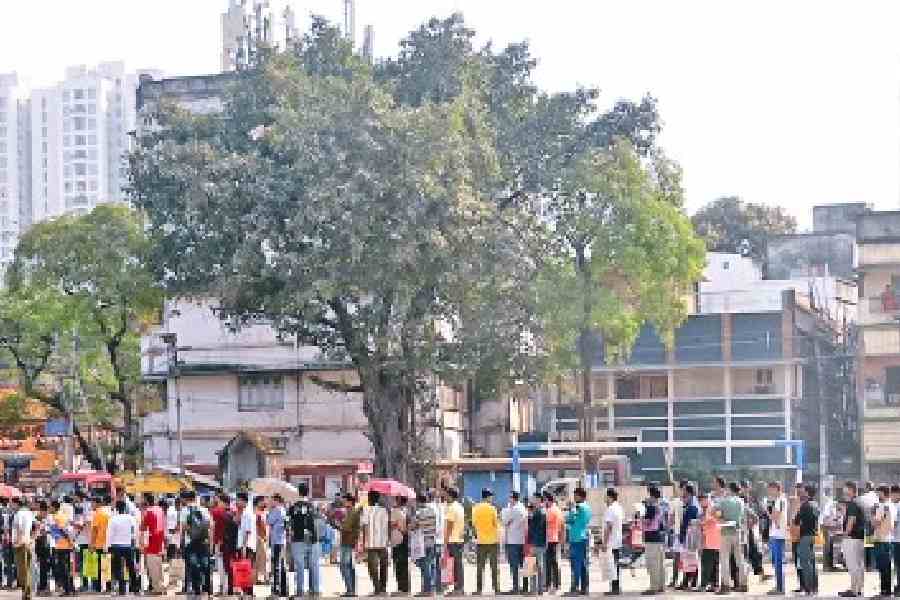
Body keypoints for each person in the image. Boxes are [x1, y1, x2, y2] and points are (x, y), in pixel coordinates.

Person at [288, 483, 320, 597]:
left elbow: (288, 522)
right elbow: (318, 520)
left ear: (298, 493)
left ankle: (300, 590)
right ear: (308, 492)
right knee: (314, 565)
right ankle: (315, 589)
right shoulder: (314, 506)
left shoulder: (293, 507)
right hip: (313, 538)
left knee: (300, 566)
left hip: (298, 538)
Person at [716, 481, 746, 595]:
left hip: (725, 532)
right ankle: (743, 584)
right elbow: (742, 517)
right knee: (740, 559)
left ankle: (726, 586)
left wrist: (721, 519)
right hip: (737, 531)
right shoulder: (741, 501)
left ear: (729, 489)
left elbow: (714, 511)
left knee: (724, 559)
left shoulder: (724, 501)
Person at [181, 490, 211, 599]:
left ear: (185, 499)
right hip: (203, 541)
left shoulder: (185, 511)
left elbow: (183, 528)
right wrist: (210, 543)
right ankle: (207, 589)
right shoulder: (204, 510)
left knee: (192, 565)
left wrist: (181, 542)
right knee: (205, 564)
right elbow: (209, 526)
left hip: (190, 542)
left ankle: (196, 589)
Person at [471, 488, 500, 596]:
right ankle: (496, 589)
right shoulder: (492, 509)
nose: (492, 498)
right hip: (492, 541)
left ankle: (479, 589)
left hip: (481, 542)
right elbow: (496, 524)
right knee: (494, 567)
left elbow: (474, 525)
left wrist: (477, 535)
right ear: (488, 496)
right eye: (491, 496)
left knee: (480, 567)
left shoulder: (475, 509)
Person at [106, 499, 138, 596]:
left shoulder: (113, 519)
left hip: (116, 546)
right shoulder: (131, 518)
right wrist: (135, 543)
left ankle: (122, 589)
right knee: (131, 567)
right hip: (129, 546)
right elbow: (135, 531)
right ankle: (135, 588)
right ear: (125, 508)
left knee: (117, 568)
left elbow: (109, 534)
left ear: (116, 509)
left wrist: (108, 545)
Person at [361, 491, 390, 596]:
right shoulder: (384, 510)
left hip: (371, 543)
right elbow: (387, 526)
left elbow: (364, 527)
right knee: (383, 566)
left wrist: (364, 542)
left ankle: (377, 588)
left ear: (369, 498)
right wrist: (388, 541)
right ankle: (383, 588)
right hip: (383, 542)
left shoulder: (366, 510)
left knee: (372, 567)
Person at [564, 487, 592, 597]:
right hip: (583, 537)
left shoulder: (578, 507)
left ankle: (575, 587)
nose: (574, 497)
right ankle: (584, 588)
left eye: (575, 495)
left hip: (576, 539)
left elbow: (570, 519)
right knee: (583, 564)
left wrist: (570, 510)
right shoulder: (588, 507)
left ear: (580, 496)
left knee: (576, 564)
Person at [841, 481, 866, 598]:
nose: (844, 492)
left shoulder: (852, 504)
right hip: (860, 537)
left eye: (846, 490)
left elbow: (851, 520)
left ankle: (853, 589)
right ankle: (859, 588)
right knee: (859, 564)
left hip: (852, 538)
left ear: (851, 490)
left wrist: (844, 533)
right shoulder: (860, 502)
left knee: (852, 564)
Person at [794, 484, 819, 596]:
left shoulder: (805, 506)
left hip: (804, 536)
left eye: (803, 491)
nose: (802, 493)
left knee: (805, 562)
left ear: (807, 493)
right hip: (813, 536)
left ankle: (808, 588)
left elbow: (796, 521)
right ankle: (814, 587)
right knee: (812, 562)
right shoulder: (815, 505)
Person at [641, 485, 666, 596]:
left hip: (651, 537)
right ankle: (661, 585)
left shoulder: (651, 507)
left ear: (651, 495)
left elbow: (647, 521)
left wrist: (640, 515)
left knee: (652, 563)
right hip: (660, 537)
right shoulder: (661, 505)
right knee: (660, 563)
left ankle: (654, 587)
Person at [411, 492, 437, 596]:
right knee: (430, 565)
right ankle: (431, 588)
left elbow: (413, 526)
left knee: (425, 566)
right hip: (432, 540)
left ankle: (427, 590)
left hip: (423, 543)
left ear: (418, 501)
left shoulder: (419, 513)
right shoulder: (433, 511)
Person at [140, 493, 165, 596]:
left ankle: (157, 588)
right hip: (160, 541)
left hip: (151, 542)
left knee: (152, 566)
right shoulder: (160, 510)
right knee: (159, 566)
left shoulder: (148, 512)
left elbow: (142, 527)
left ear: (146, 501)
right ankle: (160, 585)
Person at [765, 481, 788, 596]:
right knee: (776, 561)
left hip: (778, 535)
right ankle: (779, 586)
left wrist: (768, 510)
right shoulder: (778, 501)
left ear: (776, 489)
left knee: (778, 562)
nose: (769, 492)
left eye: (770, 489)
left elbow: (775, 517)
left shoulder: (780, 500)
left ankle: (780, 587)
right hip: (776, 534)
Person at [502, 491, 527, 595]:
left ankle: (516, 587)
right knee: (522, 565)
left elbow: (504, 521)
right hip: (521, 540)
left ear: (513, 498)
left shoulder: (513, 509)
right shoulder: (523, 508)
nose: (509, 499)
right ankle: (525, 587)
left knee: (514, 565)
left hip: (513, 540)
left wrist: (507, 511)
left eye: (510, 497)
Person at [600, 488, 624, 596]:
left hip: (611, 542)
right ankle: (616, 587)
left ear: (609, 497)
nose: (604, 498)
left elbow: (608, 527)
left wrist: (604, 543)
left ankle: (615, 588)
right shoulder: (619, 508)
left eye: (605, 496)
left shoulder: (611, 509)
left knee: (612, 566)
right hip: (617, 541)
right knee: (615, 566)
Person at [47, 499, 74, 596]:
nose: (49, 508)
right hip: (61, 544)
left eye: (50, 506)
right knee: (64, 567)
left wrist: (70, 541)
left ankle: (68, 590)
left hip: (63, 545)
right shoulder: (58, 516)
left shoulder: (58, 516)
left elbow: (63, 530)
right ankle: (70, 589)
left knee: (64, 568)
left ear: (54, 507)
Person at [677, 484, 700, 591]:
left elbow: (689, 523)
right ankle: (687, 581)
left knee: (692, 559)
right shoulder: (689, 504)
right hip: (688, 535)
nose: (683, 493)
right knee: (688, 559)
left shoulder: (693, 506)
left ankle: (692, 582)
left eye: (684, 491)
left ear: (689, 492)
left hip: (691, 536)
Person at [873, 484, 894, 599]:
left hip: (880, 538)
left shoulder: (882, 506)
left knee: (882, 567)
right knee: (887, 566)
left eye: (878, 492)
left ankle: (884, 591)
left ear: (882, 493)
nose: (877, 495)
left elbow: (876, 522)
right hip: (888, 538)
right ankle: (886, 591)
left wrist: (873, 514)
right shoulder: (891, 505)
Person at [266, 494, 288, 598]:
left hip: (276, 541)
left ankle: (276, 590)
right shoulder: (283, 510)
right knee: (282, 565)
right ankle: (283, 590)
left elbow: (269, 521)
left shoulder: (276, 510)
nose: (270, 502)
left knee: (276, 566)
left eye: (271, 500)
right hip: (282, 541)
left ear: (276, 500)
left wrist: (270, 510)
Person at [11, 496, 34, 600]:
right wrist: (31, 539)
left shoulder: (19, 514)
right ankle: (27, 593)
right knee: (27, 570)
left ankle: (26, 595)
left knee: (22, 571)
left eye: (12, 503)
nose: (11, 505)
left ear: (17, 504)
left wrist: (19, 542)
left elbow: (20, 529)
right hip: (29, 543)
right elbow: (34, 527)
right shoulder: (30, 513)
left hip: (21, 544)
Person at [444, 488, 465, 596]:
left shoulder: (451, 508)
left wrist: (445, 540)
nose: (445, 497)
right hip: (459, 539)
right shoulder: (460, 507)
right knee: (458, 564)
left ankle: (459, 588)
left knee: (456, 565)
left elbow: (449, 526)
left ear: (450, 496)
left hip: (453, 540)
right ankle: (458, 587)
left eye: (447, 495)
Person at [527, 494, 547, 596]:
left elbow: (533, 528)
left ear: (538, 499)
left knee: (533, 565)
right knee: (538, 566)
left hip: (536, 542)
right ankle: (539, 589)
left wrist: (530, 518)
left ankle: (534, 589)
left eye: (534, 498)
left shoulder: (539, 511)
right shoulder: (542, 511)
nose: (533, 500)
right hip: (540, 542)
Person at [699, 494, 720, 592]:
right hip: (712, 540)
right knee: (713, 563)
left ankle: (704, 585)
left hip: (711, 540)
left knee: (706, 563)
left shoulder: (713, 508)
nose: (700, 502)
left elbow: (718, 518)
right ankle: (713, 585)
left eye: (702, 500)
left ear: (706, 499)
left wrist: (704, 521)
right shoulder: (707, 509)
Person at [390, 496, 410, 595]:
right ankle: (406, 588)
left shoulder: (395, 511)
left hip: (397, 540)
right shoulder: (406, 511)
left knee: (398, 565)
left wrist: (396, 525)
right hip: (405, 539)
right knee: (404, 564)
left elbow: (392, 524)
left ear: (398, 500)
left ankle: (401, 588)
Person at [544, 493, 563, 593]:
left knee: (549, 563)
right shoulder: (558, 510)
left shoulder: (551, 511)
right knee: (555, 563)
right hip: (556, 539)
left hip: (550, 539)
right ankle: (556, 584)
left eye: (545, 500)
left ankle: (549, 585)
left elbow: (545, 523)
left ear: (548, 500)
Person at [427, 491, 446, 594]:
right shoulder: (442, 508)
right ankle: (439, 588)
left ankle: (432, 588)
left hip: (432, 539)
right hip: (440, 540)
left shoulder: (429, 507)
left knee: (431, 563)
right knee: (438, 564)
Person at [891, 484, 900, 596]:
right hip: (896, 539)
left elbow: (894, 523)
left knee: (898, 564)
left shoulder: (897, 506)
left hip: (898, 539)